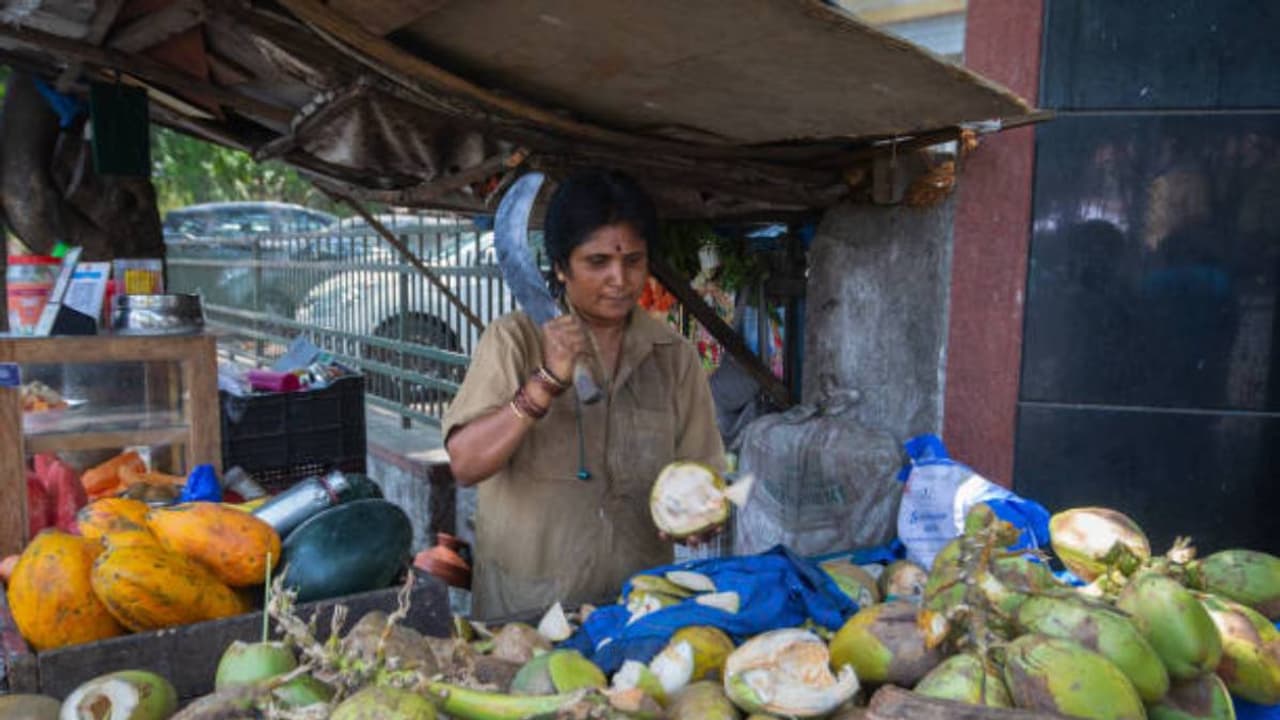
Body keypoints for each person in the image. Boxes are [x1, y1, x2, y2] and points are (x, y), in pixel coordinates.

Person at [444, 169, 726, 620]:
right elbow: (465, 463)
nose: (619, 278)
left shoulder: (673, 356)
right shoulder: (513, 340)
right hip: (526, 611)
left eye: (633, 261)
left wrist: (703, 515)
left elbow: (704, 474)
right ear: (560, 266)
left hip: (635, 608)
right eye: (598, 262)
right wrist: (544, 384)